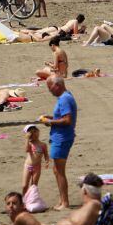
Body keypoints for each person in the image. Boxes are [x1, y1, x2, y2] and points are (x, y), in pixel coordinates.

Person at [40, 76, 77, 210]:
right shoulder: (66, 96)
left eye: (50, 87)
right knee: (57, 170)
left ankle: (65, 202)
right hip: (60, 137)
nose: (50, 91)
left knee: (60, 171)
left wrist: (49, 122)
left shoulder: (65, 98)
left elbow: (67, 120)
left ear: (57, 85)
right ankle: (62, 201)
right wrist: (51, 118)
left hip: (62, 138)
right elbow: (63, 117)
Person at [21, 124, 49, 196]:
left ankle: (31, 200)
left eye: (35, 131)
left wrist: (47, 161)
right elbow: (27, 150)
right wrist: (27, 139)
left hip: (37, 167)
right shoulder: (30, 144)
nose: (34, 134)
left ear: (38, 131)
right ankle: (23, 200)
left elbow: (46, 154)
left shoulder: (43, 144)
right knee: (24, 185)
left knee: (33, 186)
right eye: (31, 133)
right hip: (28, 166)